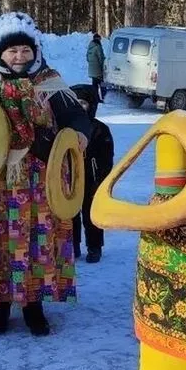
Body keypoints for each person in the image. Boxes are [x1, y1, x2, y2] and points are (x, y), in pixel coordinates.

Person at [0, 12, 91, 336]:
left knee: (35, 241)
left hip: (38, 180)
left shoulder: (49, 81)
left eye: (26, 50)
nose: (19, 56)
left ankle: (33, 304)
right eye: (12, 50)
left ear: (35, 50)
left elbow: (75, 116)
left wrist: (81, 134)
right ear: (0, 51)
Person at [70, 83, 114, 263]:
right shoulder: (66, 128)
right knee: (70, 214)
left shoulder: (100, 129)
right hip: (70, 178)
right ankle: (73, 246)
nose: (80, 106)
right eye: (76, 102)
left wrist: (102, 178)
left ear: (92, 105)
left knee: (91, 214)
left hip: (92, 178)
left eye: (83, 103)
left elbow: (106, 157)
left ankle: (94, 247)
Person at [86, 31, 105, 102]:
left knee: (94, 85)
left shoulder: (90, 47)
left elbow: (87, 58)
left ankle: (95, 98)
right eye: (100, 39)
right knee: (102, 85)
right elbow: (101, 58)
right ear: (98, 39)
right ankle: (104, 98)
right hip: (98, 70)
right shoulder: (98, 47)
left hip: (92, 70)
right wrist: (103, 67)